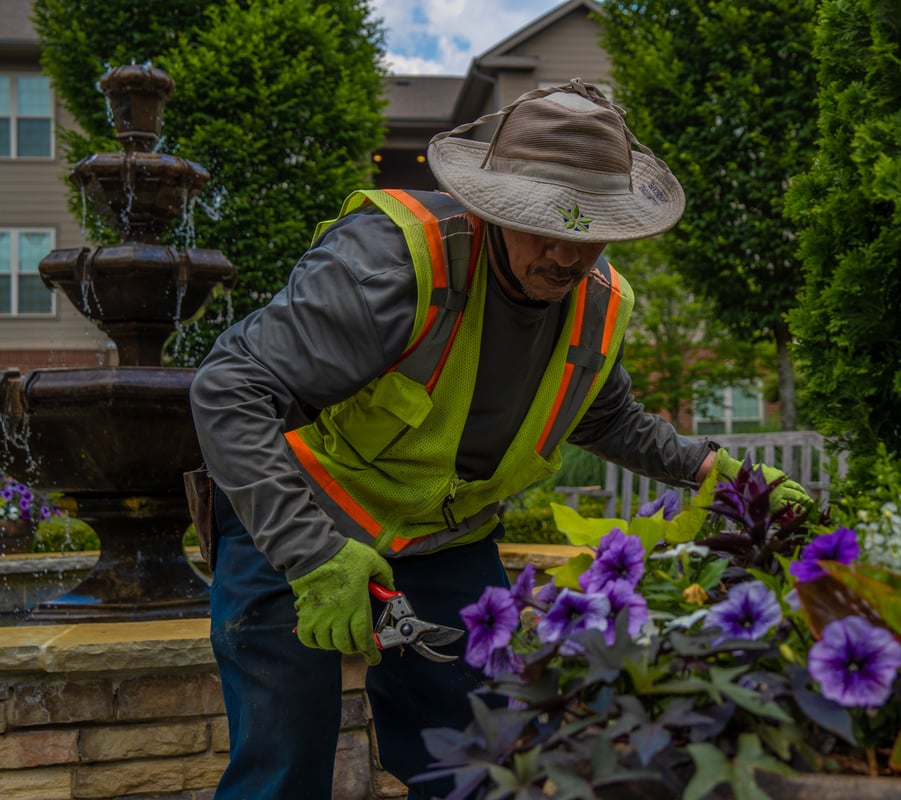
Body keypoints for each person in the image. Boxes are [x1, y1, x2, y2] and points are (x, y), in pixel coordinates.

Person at [189, 79, 811, 799]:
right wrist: (311, 556)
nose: (565, 255)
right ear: (493, 205)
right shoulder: (392, 263)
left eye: (586, 232)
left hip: (442, 542)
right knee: (282, 769)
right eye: (542, 225)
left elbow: (605, 418)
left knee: (483, 765)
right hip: (297, 518)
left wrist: (729, 475)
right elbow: (229, 389)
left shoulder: (595, 305)